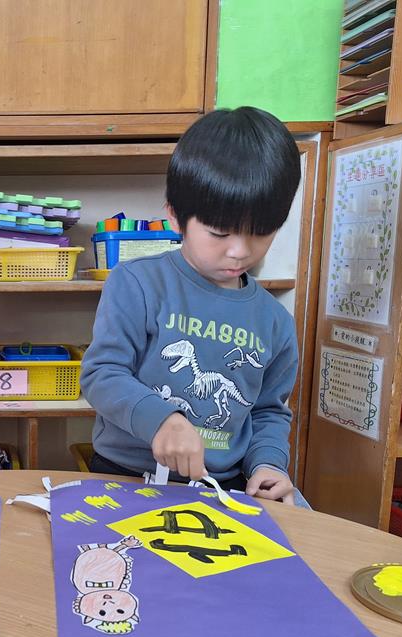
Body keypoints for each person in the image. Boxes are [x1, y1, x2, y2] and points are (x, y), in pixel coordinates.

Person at [81, 107, 301, 505]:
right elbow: (102, 374)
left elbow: (268, 412)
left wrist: (269, 464)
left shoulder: (276, 322)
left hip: (222, 486)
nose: (239, 251)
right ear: (175, 217)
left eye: (260, 233)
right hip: (124, 475)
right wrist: (160, 419)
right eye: (219, 233)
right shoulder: (136, 283)